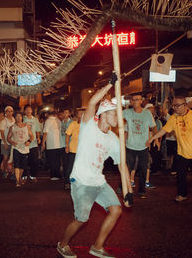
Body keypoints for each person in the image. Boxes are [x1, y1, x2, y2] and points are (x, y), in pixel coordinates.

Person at [57, 83, 132, 258]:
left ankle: (97, 246)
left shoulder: (114, 138)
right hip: (82, 181)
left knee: (116, 210)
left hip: (99, 181)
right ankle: (62, 244)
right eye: (114, 113)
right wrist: (110, 84)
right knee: (81, 219)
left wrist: (129, 190)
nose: (118, 118)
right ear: (103, 114)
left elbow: (122, 165)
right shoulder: (88, 126)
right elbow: (92, 103)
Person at [147, 96, 192, 205]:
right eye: (173, 105)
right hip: (183, 152)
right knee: (180, 175)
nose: (175, 108)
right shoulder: (174, 118)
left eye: (177, 105)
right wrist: (152, 138)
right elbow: (164, 130)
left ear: (185, 105)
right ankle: (182, 194)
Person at [123, 94, 158, 198]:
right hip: (130, 146)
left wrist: (155, 139)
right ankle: (123, 187)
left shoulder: (147, 113)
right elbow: (118, 118)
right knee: (127, 168)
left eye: (137, 100)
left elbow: (154, 127)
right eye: (133, 100)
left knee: (143, 169)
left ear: (141, 101)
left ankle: (142, 190)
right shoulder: (127, 112)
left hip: (143, 146)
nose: (135, 102)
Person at [7, 112, 34, 187]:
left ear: (22, 117)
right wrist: (12, 142)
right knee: (16, 165)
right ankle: (18, 181)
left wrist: (29, 141)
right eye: (17, 116)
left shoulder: (27, 126)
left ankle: (19, 178)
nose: (18, 118)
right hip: (16, 148)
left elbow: (32, 136)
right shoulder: (12, 127)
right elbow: (8, 138)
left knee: (23, 166)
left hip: (24, 148)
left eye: (20, 116)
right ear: (15, 118)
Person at [64, 108, 84, 190]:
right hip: (73, 150)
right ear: (77, 115)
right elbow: (68, 135)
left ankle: (80, 183)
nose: (82, 115)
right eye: (80, 113)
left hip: (83, 151)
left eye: (83, 113)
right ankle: (67, 183)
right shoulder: (73, 123)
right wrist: (66, 146)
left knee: (82, 168)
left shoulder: (87, 124)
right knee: (70, 167)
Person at [23, 105, 41, 182]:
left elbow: (37, 130)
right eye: (27, 110)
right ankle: (23, 175)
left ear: (32, 111)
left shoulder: (35, 120)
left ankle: (33, 175)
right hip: (24, 143)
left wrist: (38, 138)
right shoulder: (23, 119)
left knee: (34, 160)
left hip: (33, 143)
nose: (28, 111)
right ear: (24, 111)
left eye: (30, 109)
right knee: (24, 160)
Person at [42, 110, 62, 180]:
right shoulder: (58, 121)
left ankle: (54, 175)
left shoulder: (48, 121)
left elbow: (45, 133)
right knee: (57, 160)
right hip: (59, 144)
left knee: (52, 160)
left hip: (51, 144)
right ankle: (58, 175)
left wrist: (43, 143)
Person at [0, 106, 15, 178]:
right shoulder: (3, 121)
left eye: (11, 111)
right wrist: (5, 142)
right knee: (5, 158)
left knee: (13, 158)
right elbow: (2, 133)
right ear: (5, 112)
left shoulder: (14, 120)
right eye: (8, 111)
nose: (9, 113)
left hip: (13, 142)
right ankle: (5, 171)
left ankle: (12, 172)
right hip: (5, 143)